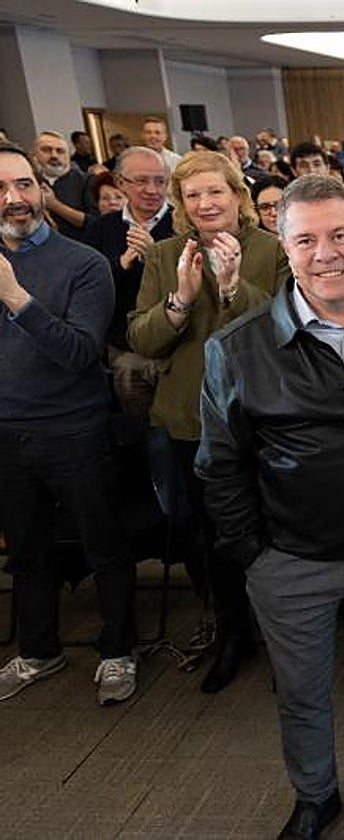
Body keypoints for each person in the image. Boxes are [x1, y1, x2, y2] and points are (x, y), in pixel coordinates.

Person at [196, 174, 344, 840]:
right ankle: (316, 794)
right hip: (289, 559)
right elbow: (220, 464)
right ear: (283, 247)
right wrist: (254, 555)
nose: (326, 253)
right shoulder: (236, 348)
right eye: (306, 240)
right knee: (301, 692)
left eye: (340, 235)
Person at [128, 150, 289, 694]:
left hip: (260, 420)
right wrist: (181, 299)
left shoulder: (272, 248)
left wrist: (233, 287)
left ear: (237, 196)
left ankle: (284, 638)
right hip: (186, 421)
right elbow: (143, 338)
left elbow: (285, 325)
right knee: (207, 539)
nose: (204, 203)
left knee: (267, 534)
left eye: (214, 192)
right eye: (193, 195)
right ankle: (231, 634)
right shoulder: (165, 254)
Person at [0, 141, 138, 707]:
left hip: (74, 430)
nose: (14, 200)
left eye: (24, 185)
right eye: (1, 190)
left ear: (43, 190)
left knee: (103, 546)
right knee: (28, 552)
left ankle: (118, 650)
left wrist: (14, 297)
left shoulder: (84, 264)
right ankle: (38, 649)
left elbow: (82, 352)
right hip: (8, 434)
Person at [84, 146, 174, 418]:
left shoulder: (182, 223)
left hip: (176, 342)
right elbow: (90, 288)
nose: (152, 189)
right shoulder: (102, 227)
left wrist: (154, 256)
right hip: (125, 346)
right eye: (141, 181)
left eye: (160, 181)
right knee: (140, 425)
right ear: (120, 183)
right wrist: (122, 264)